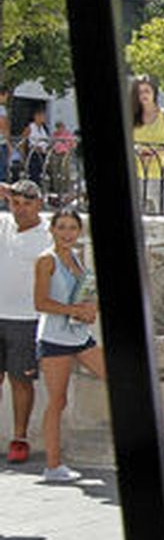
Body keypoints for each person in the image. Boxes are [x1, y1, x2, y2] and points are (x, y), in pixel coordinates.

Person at [31, 208, 104, 483]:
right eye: (61, 227)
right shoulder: (45, 261)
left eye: (72, 228)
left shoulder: (76, 257)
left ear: (79, 231)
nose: (66, 233)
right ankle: (53, 465)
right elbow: (40, 303)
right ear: (52, 230)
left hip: (79, 335)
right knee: (57, 400)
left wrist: (89, 310)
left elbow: (83, 292)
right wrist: (73, 310)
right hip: (54, 339)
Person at [0, 180, 50, 464]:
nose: (20, 210)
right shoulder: (3, 223)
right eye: (16, 203)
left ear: (38, 204)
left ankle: (19, 439)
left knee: (21, 381)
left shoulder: (47, 234)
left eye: (27, 204)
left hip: (27, 319)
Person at [130, 76, 164, 215]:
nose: (144, 95)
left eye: (147, 91)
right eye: (140, 92)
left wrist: (154, 152)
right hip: (135, 173)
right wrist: (137, 150)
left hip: (158, 173)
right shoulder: (131, 116)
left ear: (154, 93)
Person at [22, 108, 48, 185]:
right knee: (34, 174)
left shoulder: (44, 128)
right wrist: (24, 155)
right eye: (42, 116)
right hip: (33, 153)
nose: (44, 118)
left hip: (43, 153)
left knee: (40, 173)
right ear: (36, 116)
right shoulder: (30, 127)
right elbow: (23, 141)